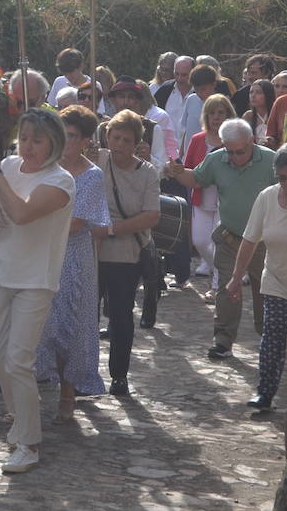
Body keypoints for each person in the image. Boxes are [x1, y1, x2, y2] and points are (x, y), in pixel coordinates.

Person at [0, 107, 75, 474]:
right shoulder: (10, 165)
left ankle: (29, 443)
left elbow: (21, 213)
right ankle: (20, 416)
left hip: (35, 279)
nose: (28, 146)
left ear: (53, 143)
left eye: (37, 140)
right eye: (25, 138)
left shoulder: (61, 181)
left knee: (19, 359)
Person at [163, 118, 275, 360]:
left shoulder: (270, 160)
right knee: (226, 289)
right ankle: (223, 340)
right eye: (230, 151)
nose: (235, 157)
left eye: (241, 151)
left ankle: (268, 338)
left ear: (251, 141)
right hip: (230, 236)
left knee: (264, 292)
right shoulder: (217, 159)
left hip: (263, 242)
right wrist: (179, 172)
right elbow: (197, 179)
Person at [33, 107, 109, 423]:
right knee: (40, 323)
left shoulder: (91, 176)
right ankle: (31, 387)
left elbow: (77, 223)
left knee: (71, 323)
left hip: (73, 259)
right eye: (62, 135)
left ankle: (68, 387)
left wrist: (33, 220)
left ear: (86, 141)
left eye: (73, 136)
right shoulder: (41, 169)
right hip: (39, 255)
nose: (66, 143)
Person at [228, 143, 287, 411]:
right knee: (272, 337)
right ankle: (265, 392)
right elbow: (250, 240)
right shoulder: (267, 198)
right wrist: (236, 277)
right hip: (276, 278)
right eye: (282, 178)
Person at [95, 108, 161, 397]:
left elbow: (150, 216)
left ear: (136, 144)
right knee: (85, 315)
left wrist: (111, 229)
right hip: (92, 253)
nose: (119, 145)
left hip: (126, 255)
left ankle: (119, 375)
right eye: (115, 137)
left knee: (121, 316)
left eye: (126, 140)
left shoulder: (147, 174)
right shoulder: (97, 161)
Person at [184, 94, 237, 294]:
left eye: (221, 113)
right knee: (200, 240)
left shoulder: (235, 139)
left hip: (227, 199)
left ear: (228, 115)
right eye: (212, 113)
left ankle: (216, 285)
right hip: (202, 195)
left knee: (220, 243)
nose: (216, 117)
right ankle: (223, 270)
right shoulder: (197, 139)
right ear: (206, 116)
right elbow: (187, 167)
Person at [242, 79, 277, 147]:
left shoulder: (275, 114)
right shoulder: (248, 116)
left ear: (268, 94)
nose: (253, 95)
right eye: (251, 92)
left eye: (258, 92)